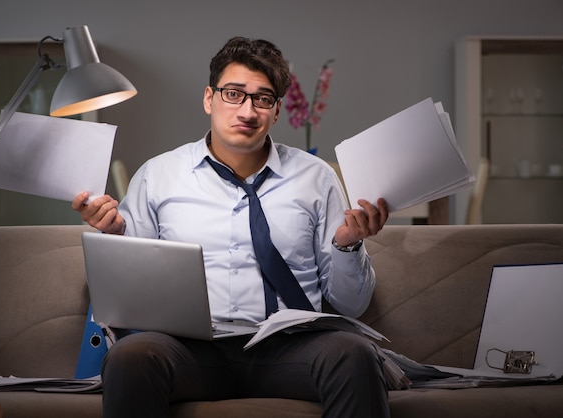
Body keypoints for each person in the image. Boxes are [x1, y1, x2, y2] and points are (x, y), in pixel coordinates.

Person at [72, 36, 390, 418]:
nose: (248, 111)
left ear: (276, 112)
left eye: (263, 99)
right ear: (209, 99)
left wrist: (346, 247)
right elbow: (128, 301)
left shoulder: (316, 178)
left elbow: (351, 306)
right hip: (190, 349)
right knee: (131, 356)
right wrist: (115, 235)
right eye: (234, 94)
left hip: (288, 348)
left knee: (352, 353)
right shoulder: (159, 175)